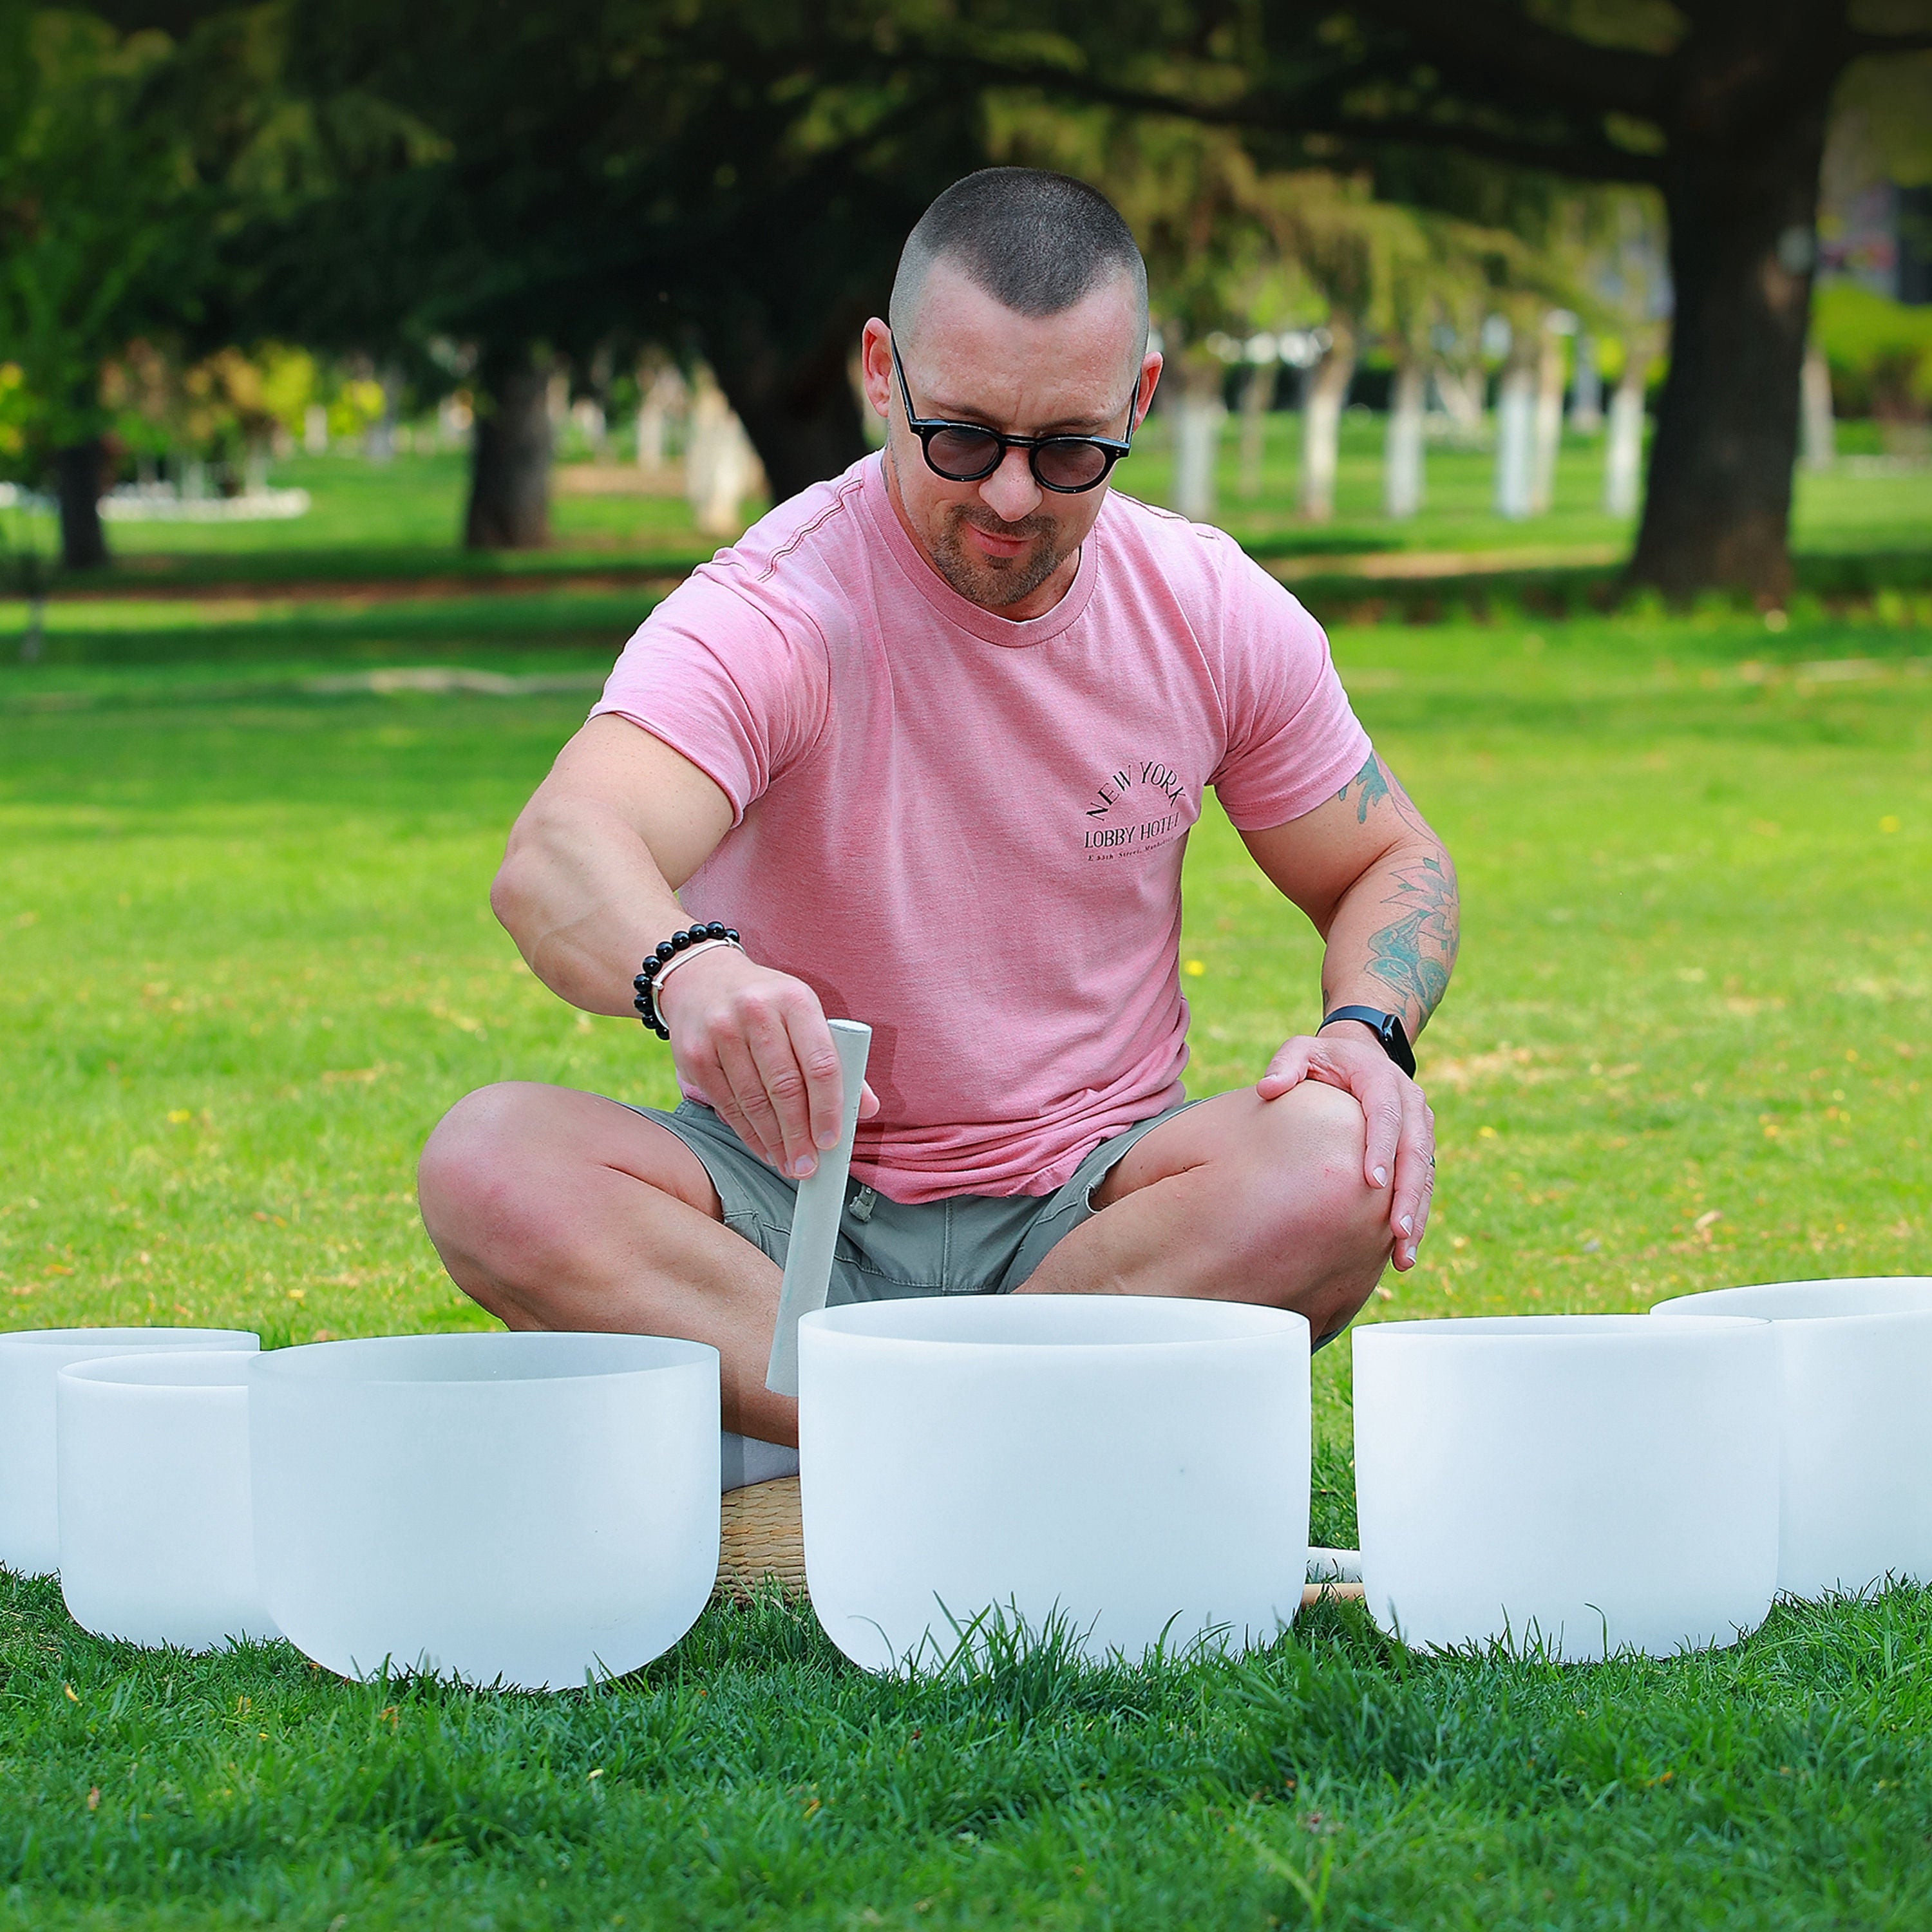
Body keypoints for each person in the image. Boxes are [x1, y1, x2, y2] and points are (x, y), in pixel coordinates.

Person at [418, 167, 1459, 1458]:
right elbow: (561, 855)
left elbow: (1388, 859)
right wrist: (690, 974)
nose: (1012, 497)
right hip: (791, 1208)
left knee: (1335, 1155)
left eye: (1070, 448)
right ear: (881, 373)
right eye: (960, 436)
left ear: (1140, 396)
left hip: (1092, 1215)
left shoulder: (1205, 606)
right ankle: (989, 1439)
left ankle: (873, 1439)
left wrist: (1370, 1030)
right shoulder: (775, 612)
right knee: (491, 1162)